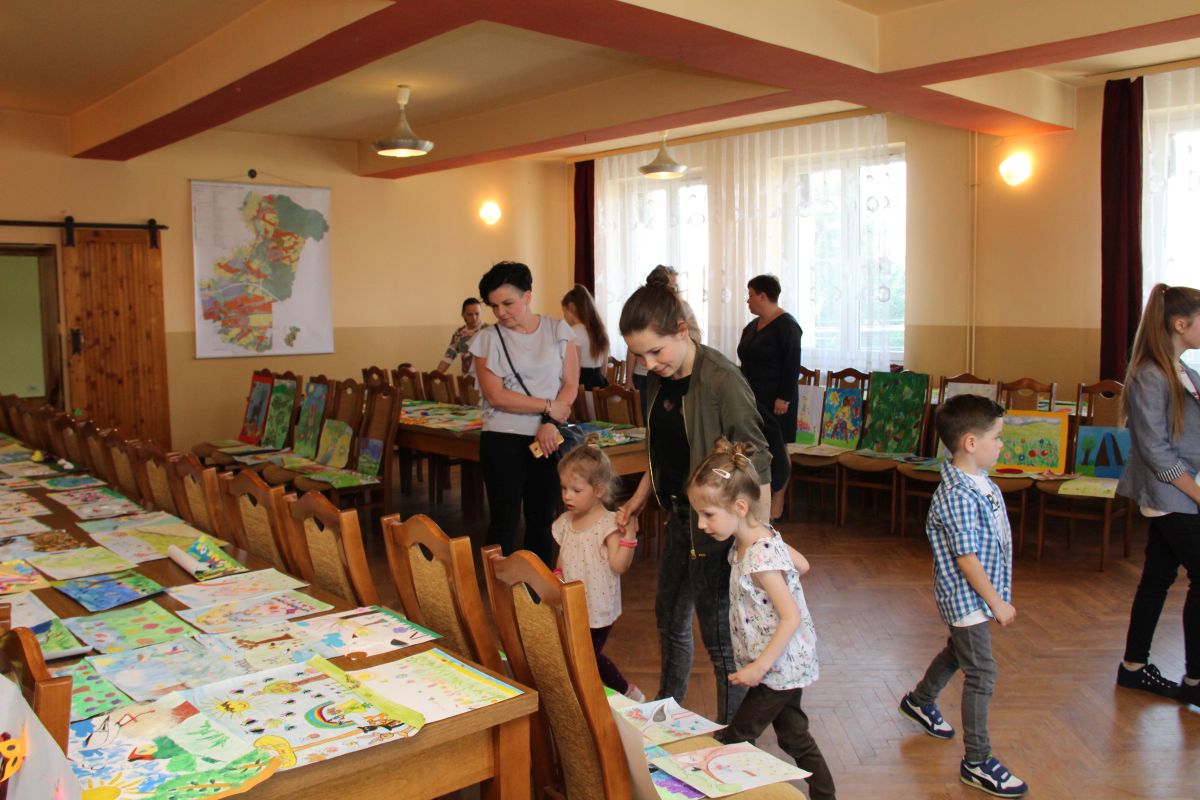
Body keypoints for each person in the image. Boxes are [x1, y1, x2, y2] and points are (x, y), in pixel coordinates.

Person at [614, 282, 771, 724]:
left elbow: (758, 460)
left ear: (682, 330)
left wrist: (756, 540)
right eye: (639, 355)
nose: (649, 365)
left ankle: (735, 734)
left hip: (720, 526)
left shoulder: (721, 378)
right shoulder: (658, 377)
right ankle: (667, 711)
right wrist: (638, 500)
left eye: (656, 351)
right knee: (669, 618)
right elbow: (663, 452)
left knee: (720, 635)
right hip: (680, 517)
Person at [688, 438, 836, 800]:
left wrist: (759, 667)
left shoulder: (759, 556)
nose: (701, 524)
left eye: (708, 514)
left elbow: (791, 617)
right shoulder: (758, 539)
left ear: (740, 507)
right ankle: (825, 795)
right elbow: (803, 565)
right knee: (793, 737)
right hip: (780, 666)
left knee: (736, 738)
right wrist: (780, 556)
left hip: (778, 669)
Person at [897, 394, 1027, 797]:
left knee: (960, 650)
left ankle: (920, 701)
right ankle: (977, 761)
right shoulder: (956, 495)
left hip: (979, 594)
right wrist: (996, 602)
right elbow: (966, 559)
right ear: (971, 442)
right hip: (967, 597)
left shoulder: (979, 481)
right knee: (982, 672)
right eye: (997, 437)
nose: (1001, 444)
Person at [1116, 283, 1200, 707]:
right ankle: (1196, 681)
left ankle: (1133, 668)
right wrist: (1198, 494)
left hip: (1180, 492)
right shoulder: (1150, 375)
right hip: (1169, 494)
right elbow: (1155, 451)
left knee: (1157, 577)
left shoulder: (1183, 370)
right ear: (1180, 324)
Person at [469, 262, 580, 564]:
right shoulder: (487, 339)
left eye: (508, 303)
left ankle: (537, 586)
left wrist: (550, 422)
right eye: (494, 306)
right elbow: (497, 396)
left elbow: (570, 384)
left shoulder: (558, 330)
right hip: (502, 438)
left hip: (548, 437)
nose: (501, 312)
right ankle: (498, 586)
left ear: (528, 296)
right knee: (504, 521)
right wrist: (547, 407)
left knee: (541, 519)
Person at [552, 442, 644, 702]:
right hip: (571, 603)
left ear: (599, 490)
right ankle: (590, 697)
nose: (567, 496)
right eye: (564, 488)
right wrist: (556, 575)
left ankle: (626, 693)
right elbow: (563, 556)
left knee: (586, 656)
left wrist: (629, 537)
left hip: (598, 609)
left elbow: (619, 566)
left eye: (576, 490)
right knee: (579, 654)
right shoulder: (565, 523)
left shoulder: (608, 524)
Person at [738, 274, 803, 520]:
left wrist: (783, 398)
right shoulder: (752, 327)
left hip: (777, 401)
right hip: (752, 399)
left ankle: (778, 501)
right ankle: (758, 500)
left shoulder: (788, 326)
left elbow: (792, 365)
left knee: (779, 447)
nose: (748, 301)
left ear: (763, 296)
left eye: (750, 295)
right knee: (756, 446)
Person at [624, 265, 702, 419]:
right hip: (645, 378)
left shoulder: (682, 307)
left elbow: (696, 337)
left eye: (656, 351)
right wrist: (629, 378)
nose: (649, 364)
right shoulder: (643, 310)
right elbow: (632, 349)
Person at [562, 284, 610, 390]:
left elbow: (574, 372)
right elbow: (604, 371)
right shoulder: (600, 331)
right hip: (600, 386)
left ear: (570, 307)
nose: (564, 317)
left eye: (564, 311)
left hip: (582, 388)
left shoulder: (573, 332)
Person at [435, 297, 487, 375]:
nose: (474, 318)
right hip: (467, 379)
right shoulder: (459, 333)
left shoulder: (488, 331)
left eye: (477, 314)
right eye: (469, 314)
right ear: (463, 315)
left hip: (486, 378)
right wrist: (436, 374)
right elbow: (448, 357)